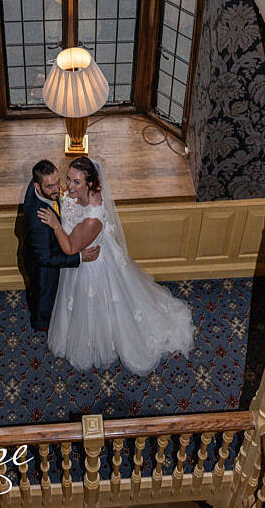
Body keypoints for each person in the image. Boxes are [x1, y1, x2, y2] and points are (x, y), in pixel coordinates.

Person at [37, 156, 194, 374]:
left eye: (76, 182)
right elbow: (70, 202)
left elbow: (71, 248)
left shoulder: (93, 220)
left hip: (90, 267)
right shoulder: (82, 191)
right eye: (69, 179)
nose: (68, 187)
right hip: (91, 253)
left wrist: (55, 225)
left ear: (89, 184)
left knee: (97, 306)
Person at [23, 159, 100, 331]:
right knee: (43, 295)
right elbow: (46, 258)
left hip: (46, 247)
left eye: (58, 182)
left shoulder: (42, 183)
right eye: (50, 186)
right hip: (43, 265)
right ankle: (41, 324)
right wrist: (79, 257)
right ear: (37, 186)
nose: (57, 189)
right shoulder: (38, 222)